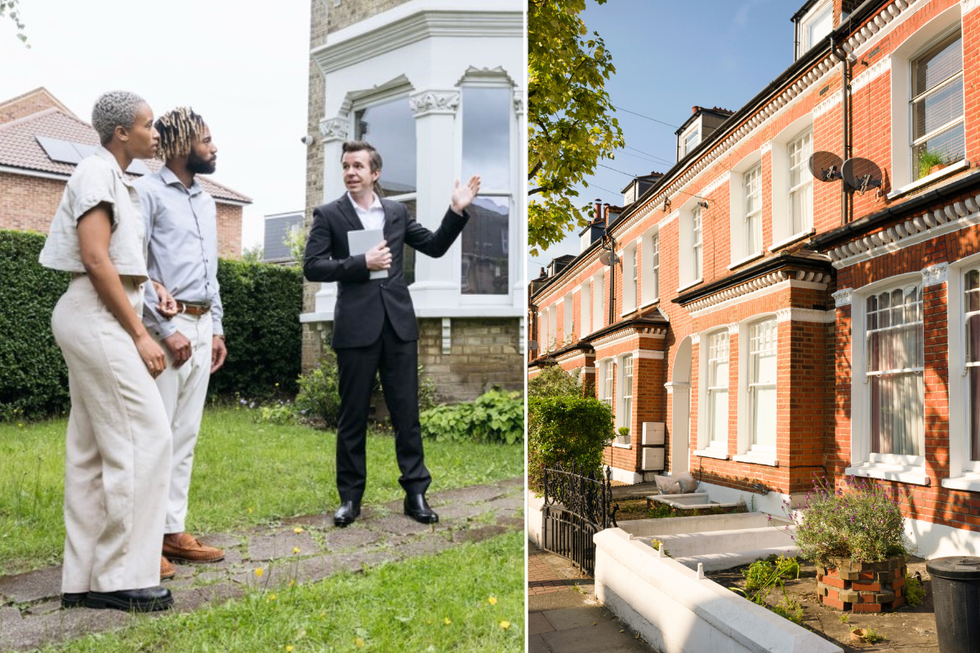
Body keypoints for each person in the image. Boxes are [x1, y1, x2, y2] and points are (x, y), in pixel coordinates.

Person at [38, 90, 174, 612]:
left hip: (94, 315)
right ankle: (119, 576)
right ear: (122, 132)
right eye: (148, 124)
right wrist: (140, 334)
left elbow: (114, 259)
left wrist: (151, 285)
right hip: (97, 319)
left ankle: (84, 576)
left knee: (93, 450)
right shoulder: (95, 174)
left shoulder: (114, 178)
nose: (155, 132)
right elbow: (95, 261)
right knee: (147, 438)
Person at [304, 140, 480, 527]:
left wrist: (456, 211)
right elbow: (312, 266)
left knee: (407, 414)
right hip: (355, 329)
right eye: (346, 166)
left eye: (358, 166)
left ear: (375, 173)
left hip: (398, 327)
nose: (351, 172)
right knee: (352, 417)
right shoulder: (329, 215)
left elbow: (434, 246)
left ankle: (416, 493)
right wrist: (359, 262)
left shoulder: (397, 212)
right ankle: (350, 499)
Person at [135, 108, 227, 577]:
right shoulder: (147, 193)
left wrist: (216, 327)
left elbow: (210, 273)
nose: (214, 148)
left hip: (200, 323)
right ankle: (142, 543)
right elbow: (135, 266)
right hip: (164, 330)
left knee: (184, 436)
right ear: (182, 144)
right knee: (154, 437)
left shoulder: (206, 201)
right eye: (207, 140)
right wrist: (164, 329)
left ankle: (172, 531)